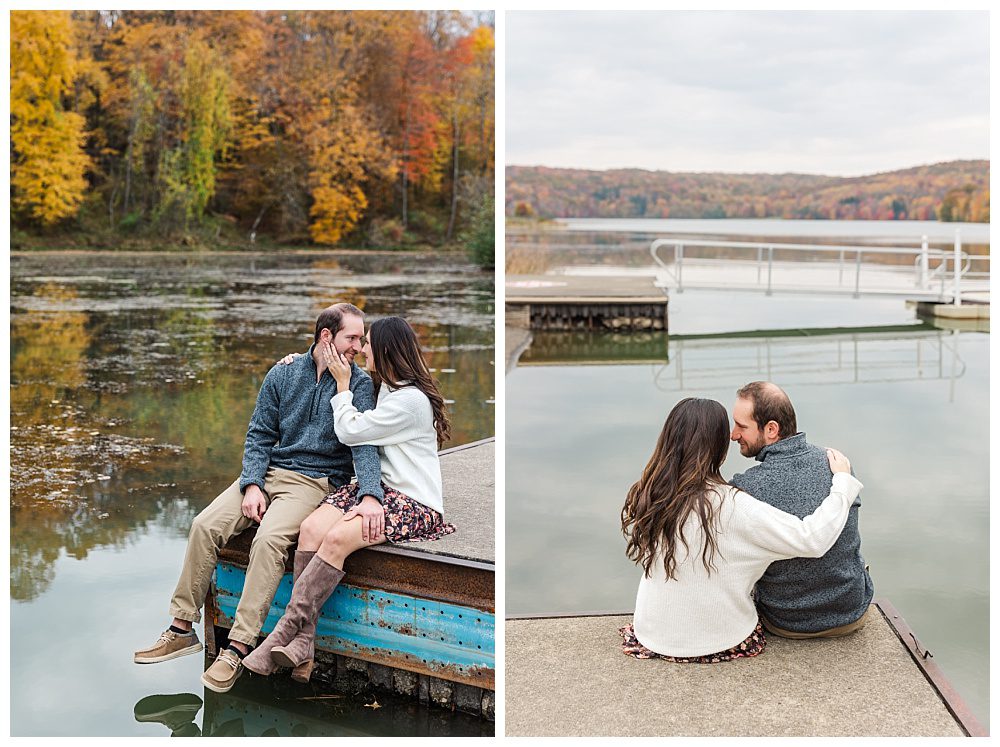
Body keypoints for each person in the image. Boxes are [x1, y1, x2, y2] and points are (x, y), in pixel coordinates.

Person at [133, 303, 383, 694]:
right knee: (203, 525)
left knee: (268, 540)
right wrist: (251, 483)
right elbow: (260, 434)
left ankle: (237, 645)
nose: (358, 345)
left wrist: (370, 494)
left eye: (360, 338)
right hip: (268, 473)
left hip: (314, 481)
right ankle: (181, 627)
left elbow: (364, 444)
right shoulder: (282, 373)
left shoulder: (359, 384)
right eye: (352, 337)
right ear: (326, 337)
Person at [243, 316, 455, 681]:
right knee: (311, 528)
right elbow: (324, 368)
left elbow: (350, 430)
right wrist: (292, 361)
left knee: (338, 538)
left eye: (368, 343)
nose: (360, 350)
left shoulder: (410, 402)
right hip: (374, 491)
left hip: (412, 501)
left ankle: (282, 633)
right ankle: (303, 644)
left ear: (386, 349)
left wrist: (342, 386)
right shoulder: (386, 386)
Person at [619, 397, 862, 662]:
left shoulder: (649, 494)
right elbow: (813, 540)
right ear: (718, 448)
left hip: (651, 634)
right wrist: (843, 484)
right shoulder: (734, 505)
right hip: (720, 640)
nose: (734, 436)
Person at [729, 381, 874, 638]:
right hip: (851, 612)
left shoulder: (744, 488)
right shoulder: (837, 465)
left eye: (741, 426)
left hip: (787, 621)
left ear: (771, 429)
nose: (733, 434)